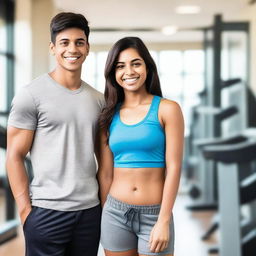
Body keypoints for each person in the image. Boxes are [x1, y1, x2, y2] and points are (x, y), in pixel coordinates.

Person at [6, 12, 104, 256]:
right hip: (46, 212)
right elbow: (15, 155)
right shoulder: (31, 95)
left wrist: (103, 206)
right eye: (64, 42)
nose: (72, 49)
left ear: (88, 48)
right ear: (53, 48)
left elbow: (104, 159)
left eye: (79, 42)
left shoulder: (98, 100)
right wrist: (25, 211)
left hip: (89, 212)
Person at [97, 37, 184, 256]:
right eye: (120, 66)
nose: (129, 71)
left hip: (155, 215)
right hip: (115, 214)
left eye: (135, 63)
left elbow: (174, 168)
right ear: (113, 73)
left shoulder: (168, 109)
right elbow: (106, 173)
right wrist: (105, 213)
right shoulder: (108, 116)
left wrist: (164, 219)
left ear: (147, 66)